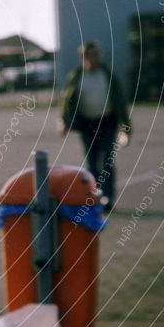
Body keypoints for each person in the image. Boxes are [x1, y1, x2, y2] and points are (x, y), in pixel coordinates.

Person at [59, 42, 131, 210]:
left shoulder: (107, 74)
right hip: (86, 123)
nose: (96, 57)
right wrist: (63, 121)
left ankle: (107, 197)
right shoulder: (76, 76)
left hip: (107, 122)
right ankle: (94, 196)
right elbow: (66, 100)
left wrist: (126, 127)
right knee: (91, 163)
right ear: (84, 57)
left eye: (97, 54)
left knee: (106, 161)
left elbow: (120, 101)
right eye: (92, 54)